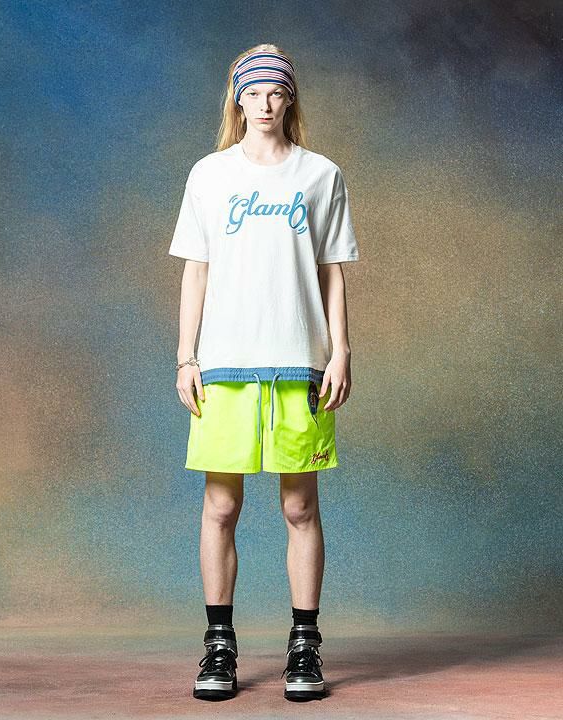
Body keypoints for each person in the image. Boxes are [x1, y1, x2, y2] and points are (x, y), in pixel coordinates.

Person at [169, 43, 360, 702]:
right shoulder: (209, 175)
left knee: (300, 506)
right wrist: (186, 356)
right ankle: (219, 644)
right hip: (224, 364)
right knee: (221, 505)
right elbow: (196, 270)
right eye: (253, 92)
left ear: (290, 99)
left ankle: (304, 646)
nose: (265, 103)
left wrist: (340, 350)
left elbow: (332, 271)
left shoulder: (321, 175)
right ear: (238, 100)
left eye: (276, 91)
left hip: (297, 362)